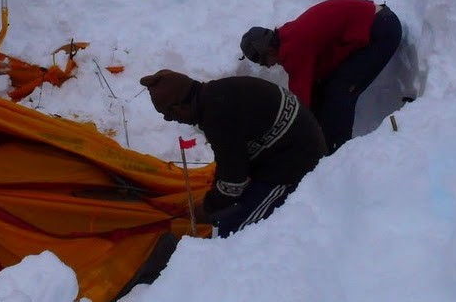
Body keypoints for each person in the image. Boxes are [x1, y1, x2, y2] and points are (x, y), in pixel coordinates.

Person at [139, 69, 326, 237]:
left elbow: (234, 181)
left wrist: (208, 208)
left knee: (235, 234)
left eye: (168, 115)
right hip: (288, 145)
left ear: (179, 107)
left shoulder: (216, 115)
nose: (171, 120)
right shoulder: (215, 94)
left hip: (296, 161)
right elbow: (229, 163)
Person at [240, 0, 402, 155]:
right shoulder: (288, 36)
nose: (267, 66)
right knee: (326, 88)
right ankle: (329, 144)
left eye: (263, 62)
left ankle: (338, 154)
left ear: (269, 50)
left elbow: (300, 106)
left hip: (381, 30)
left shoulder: (293, 49)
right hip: (377, 23)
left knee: (340, 91)